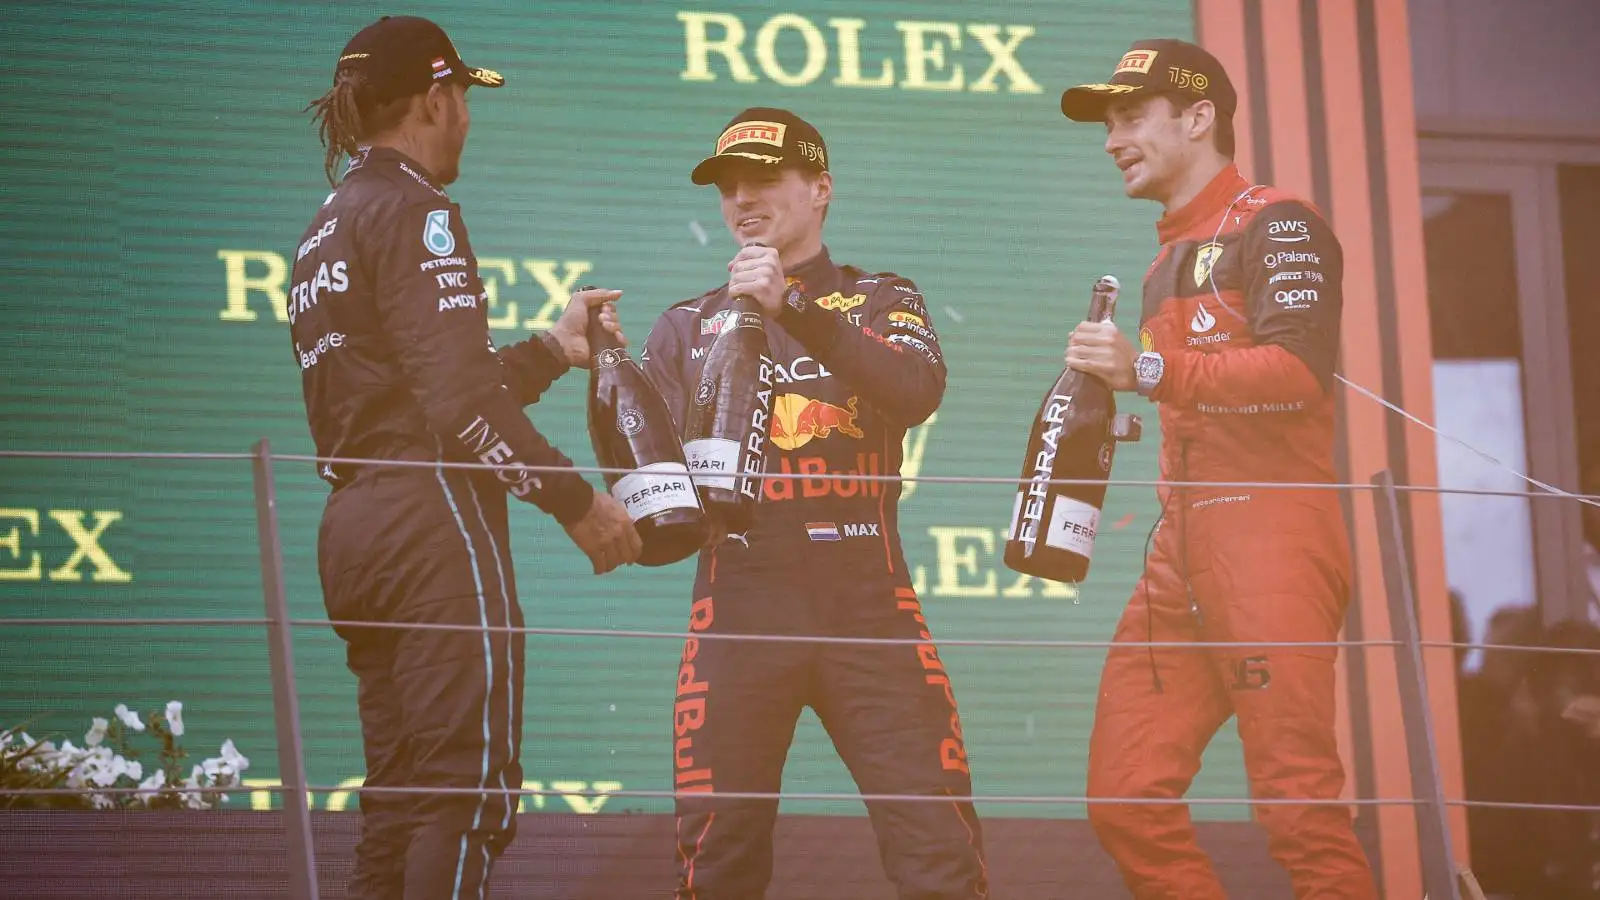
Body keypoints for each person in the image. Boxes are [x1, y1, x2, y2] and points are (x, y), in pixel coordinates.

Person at [292, 16, 641, 899]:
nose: (467, 122)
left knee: (402, 798)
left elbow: (416, 387)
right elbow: (452, 405)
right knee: (465, 791)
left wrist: (551, 350)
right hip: (428, 523)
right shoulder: (417, 209)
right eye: (462, 102)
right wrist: (576, 500)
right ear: (435, 98)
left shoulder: (327, 223)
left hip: (354, 525)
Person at [1057, 39, 1379, 897]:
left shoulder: (1279, 222)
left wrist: (1149, 371)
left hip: (1272, 534)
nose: (1111, 139)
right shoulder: (1165, 259)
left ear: (1199, 117)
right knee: (1124, 799)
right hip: (1181, 551)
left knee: (1299, 810)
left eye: (1130, 118)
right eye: (1108, 123)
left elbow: (1300, 375)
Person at [642, 107, 988, 899]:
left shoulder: (881, 297)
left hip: (870, 607)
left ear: (821, 188)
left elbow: (916, 390)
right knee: (717, 859)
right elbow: (653, 495)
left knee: (939, 850)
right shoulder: (684, 326)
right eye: (728, 186)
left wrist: (789, 305)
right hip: (737, 610)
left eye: (763, 179)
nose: (742, 199)